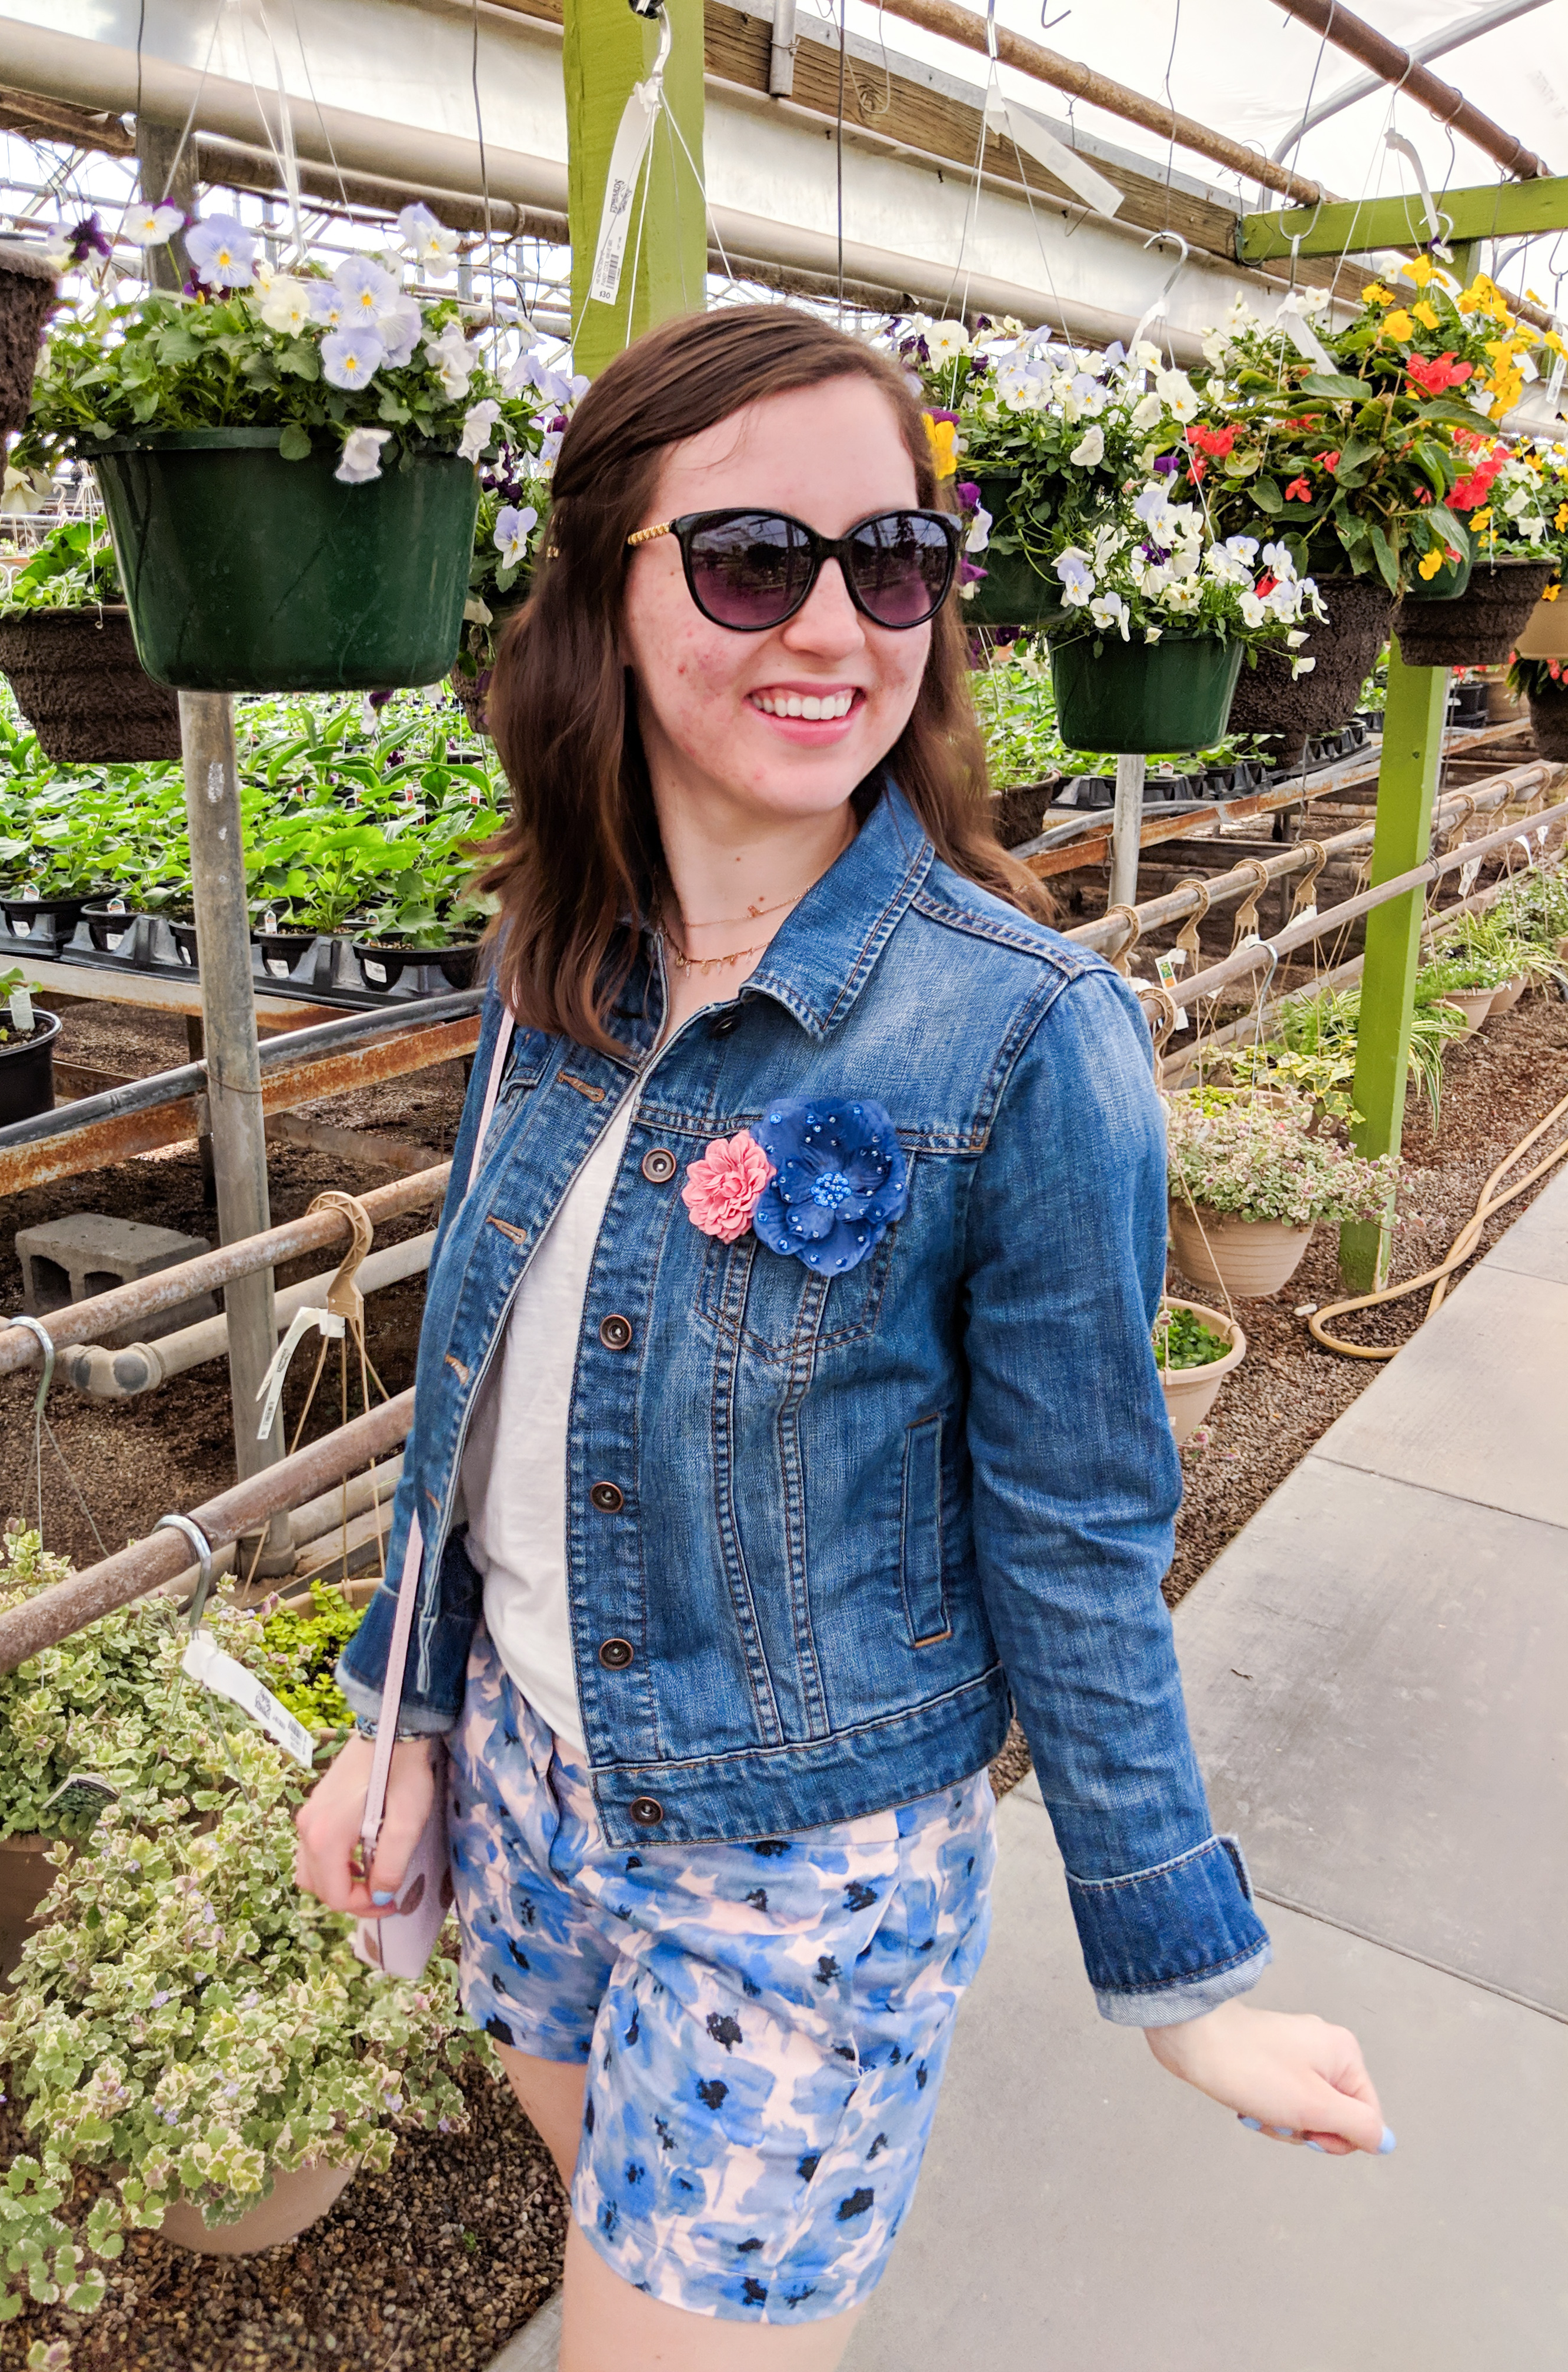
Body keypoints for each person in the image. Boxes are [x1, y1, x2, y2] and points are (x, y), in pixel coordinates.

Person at [295, 304, 1391, 2371]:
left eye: (890, 560)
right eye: (748, 559)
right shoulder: (554, 957)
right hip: (530, 1786)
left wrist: (1185, 1975)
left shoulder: (1027, 1036)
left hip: (800, 1872)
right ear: (604, 594)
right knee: (607, 2225)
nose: (830, 625)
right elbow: (481, 1402)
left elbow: (1076, 1528)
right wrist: (402, 1717)